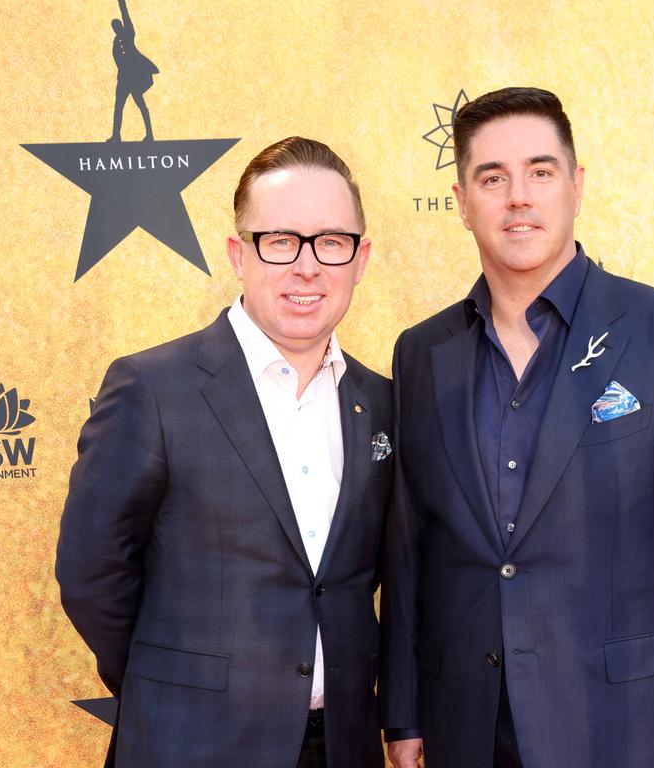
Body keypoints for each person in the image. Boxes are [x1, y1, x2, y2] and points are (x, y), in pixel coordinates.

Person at [380, 87, 654, 768]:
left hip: (624, 726)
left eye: (540, 171)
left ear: (577, 185)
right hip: (467, 728)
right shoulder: (422, 353)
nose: (518, 197)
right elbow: (410, 549)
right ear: (463, 201)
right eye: (492, 178)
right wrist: (403, 714)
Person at [57, 137, 391, 768]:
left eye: (331, 241)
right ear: (239, 254)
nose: (308, 266)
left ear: (360, 257)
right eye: (280, 241)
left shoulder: (383, 403)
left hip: (343, 745)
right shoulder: (152, 389)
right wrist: (172, 680)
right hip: (190, 741)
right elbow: (91, 573)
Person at [107, 0, 157, 142]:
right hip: (123, 79)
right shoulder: (116, 43)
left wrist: (121, 2)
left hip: (134, 78)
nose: (116, 28)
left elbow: (125, 14)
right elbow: (117, 61)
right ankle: (116, 135)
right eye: (114, 27)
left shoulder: (129, 33)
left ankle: (150, 134)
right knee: (118, 107)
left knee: (141, 105)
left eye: (117, 25)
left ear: (121, 25)